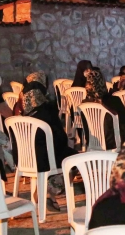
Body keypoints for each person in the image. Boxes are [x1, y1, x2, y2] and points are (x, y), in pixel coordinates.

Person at [13, 71, 77, 211]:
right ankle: (49, 192)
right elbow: (60, 138)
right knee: (74, 157)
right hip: (43, 160)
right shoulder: (46, 110)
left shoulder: (18, 109)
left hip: (23, 158)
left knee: (53, 151)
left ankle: (41, 195)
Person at [81, 68, 125, 150]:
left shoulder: (84, 104)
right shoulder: (114, 101)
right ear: (102, 83)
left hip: (93, 142)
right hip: (113, 144)